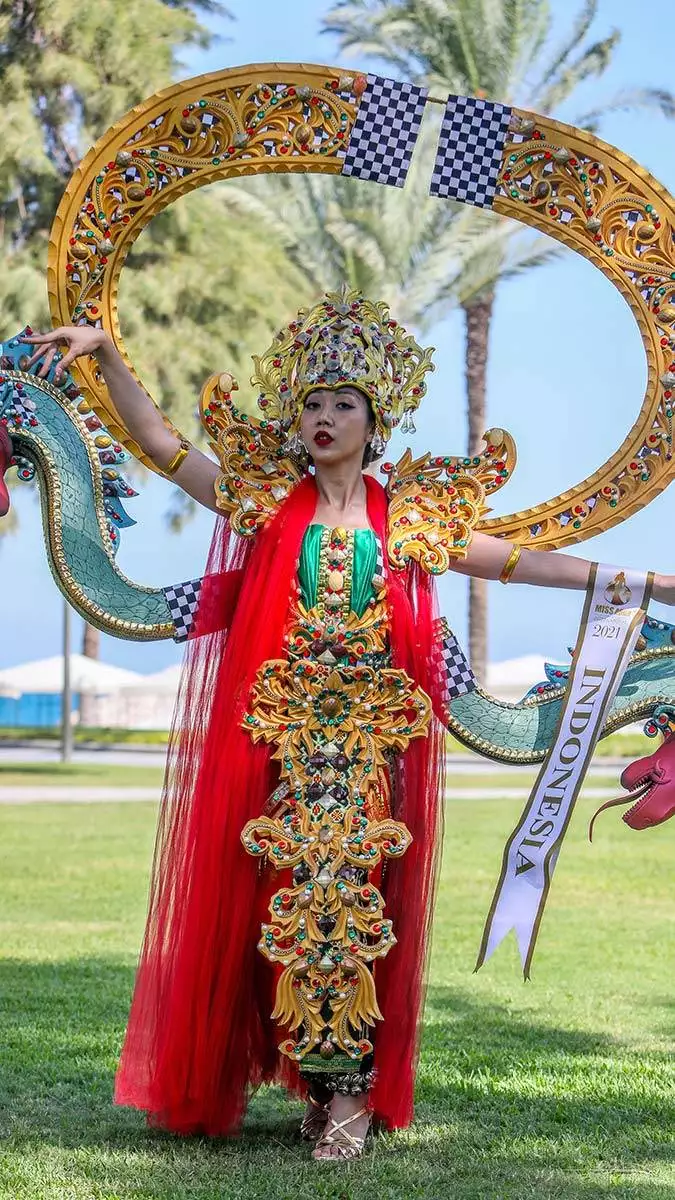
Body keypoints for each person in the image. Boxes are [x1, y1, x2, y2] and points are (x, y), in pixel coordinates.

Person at [21, 289, 675, 1161]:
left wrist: (645, 585)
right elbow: (162, 448)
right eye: (312, 403)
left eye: (344, 404)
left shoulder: (409, 516)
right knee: (267, 914)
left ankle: (347, 1098)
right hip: (275, 748)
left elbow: (521, 566)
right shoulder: (260, 499)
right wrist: (104, 351)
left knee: (350, 911)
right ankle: (311, 1079)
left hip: (369, 754)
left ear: (376, 420)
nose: (324, 417)